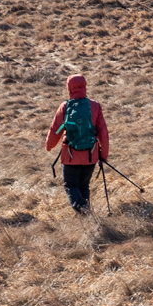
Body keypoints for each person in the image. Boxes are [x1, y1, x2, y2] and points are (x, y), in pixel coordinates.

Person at [44, 74, 108, 214]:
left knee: (71, 185)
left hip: (70, 156)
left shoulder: (65, 107)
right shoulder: (95, 106)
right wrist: (103, 155)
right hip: (90, 155)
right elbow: (103, 133)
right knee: (84, 186)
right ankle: (87, 216)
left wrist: (49, 146)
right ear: (84, 86)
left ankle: (82, 209)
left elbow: (55, 130)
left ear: (69, 88)